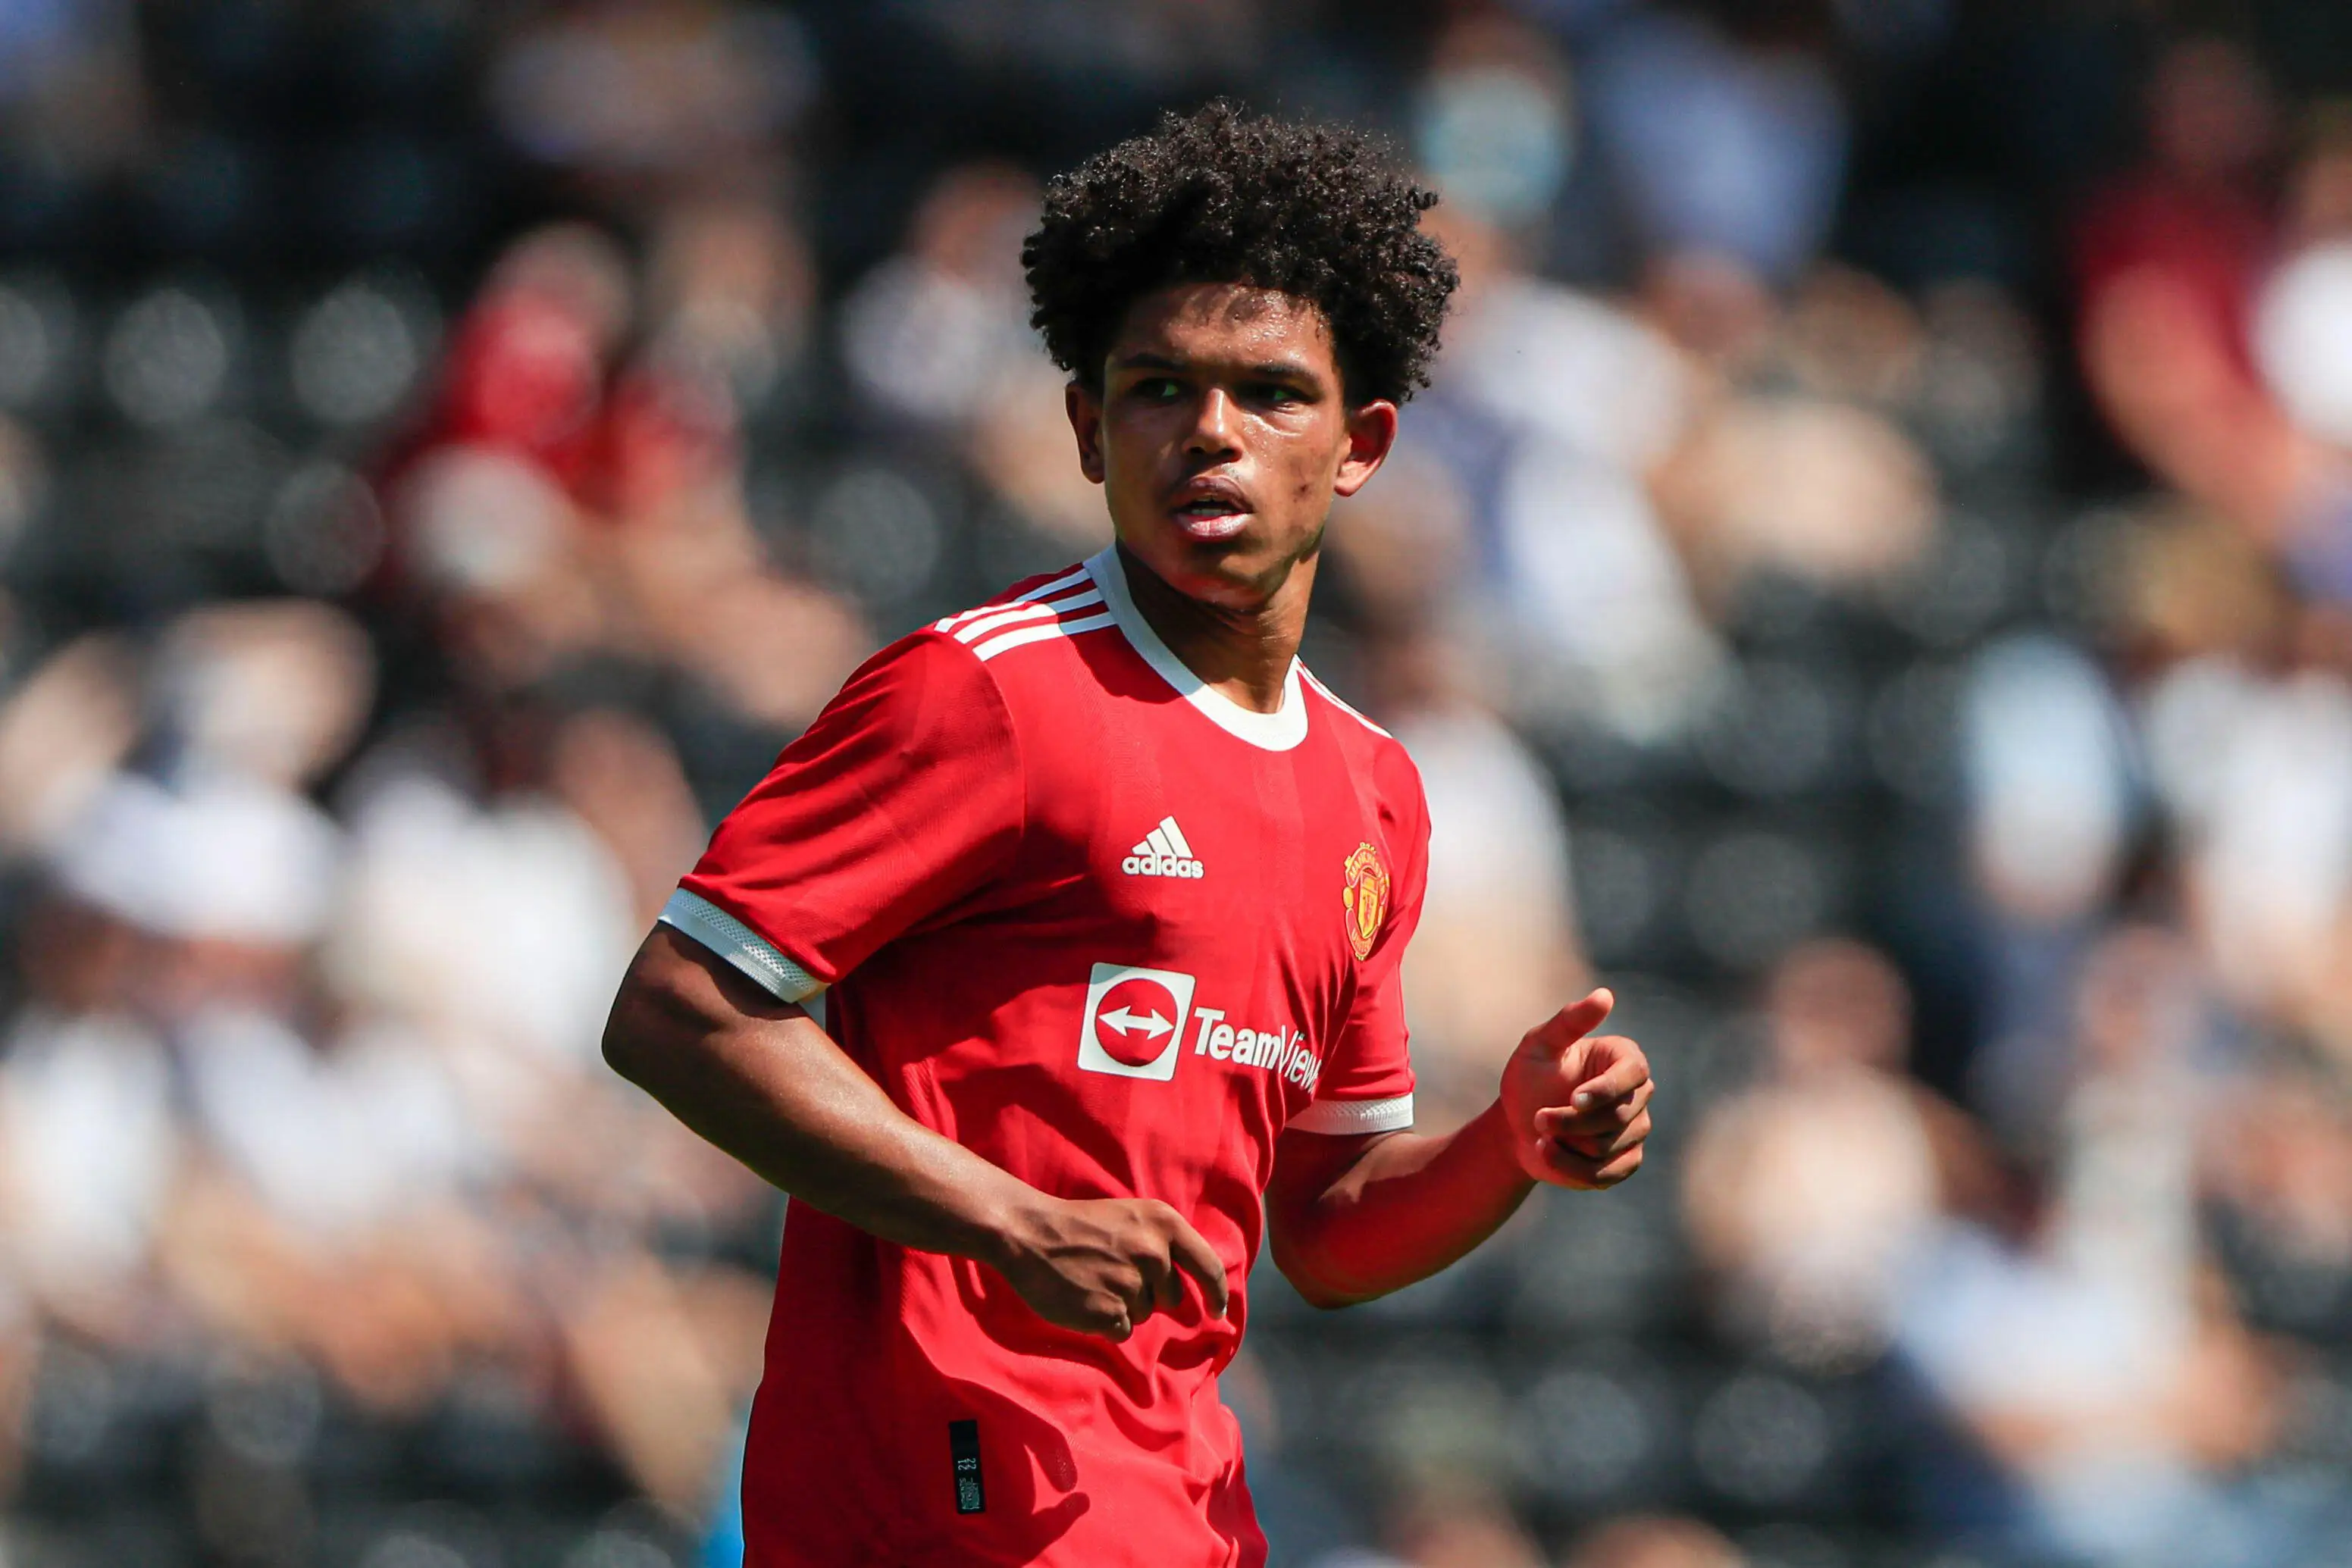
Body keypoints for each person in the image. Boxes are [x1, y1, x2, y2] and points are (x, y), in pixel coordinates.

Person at [601, 103, 1655, 1567]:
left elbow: (1330, 1223)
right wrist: (1007, 1222)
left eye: (1269, 395)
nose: (1209, 433)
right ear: (1092, 430)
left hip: (1174, 1504)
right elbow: (675, 1007)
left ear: (1359, 446)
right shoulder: (984, 694)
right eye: (1161, 389)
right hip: (930, 1503)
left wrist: (1505, 1145)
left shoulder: (1375, 793)